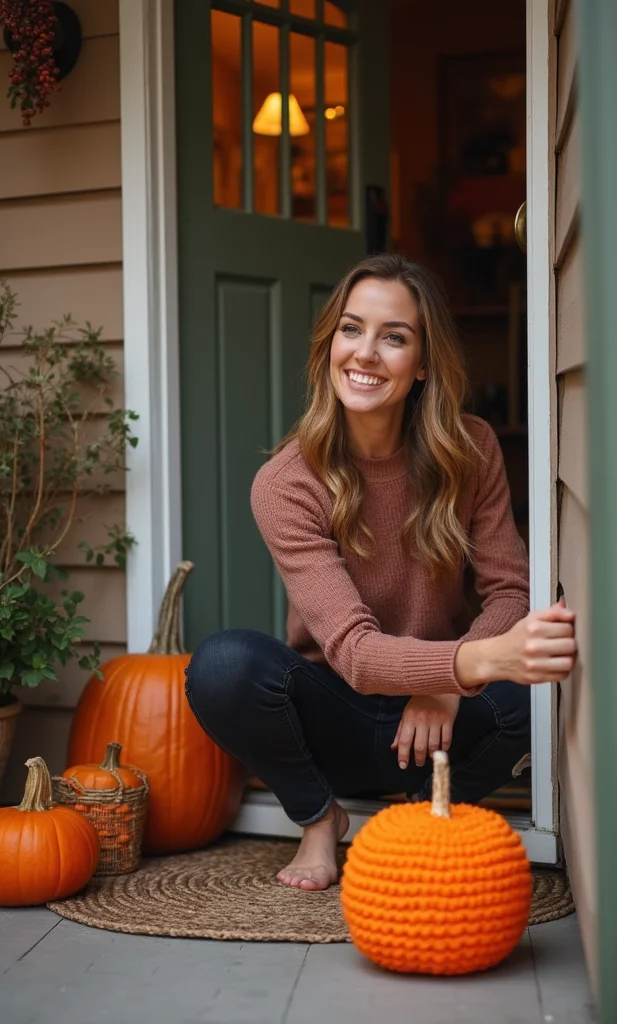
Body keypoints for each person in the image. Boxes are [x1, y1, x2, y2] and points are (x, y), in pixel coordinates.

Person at [185, 254, 577, 892]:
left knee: (530, 694)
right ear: (329, 346)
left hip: (444, 731)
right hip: (336, 713)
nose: (365, 353)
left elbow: (510, 591)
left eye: (393, 337)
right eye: (351, 329)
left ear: (423, 364)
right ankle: (317, 817)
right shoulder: (287, 482)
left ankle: (423, 822)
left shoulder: (471, 449)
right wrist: (468, 664)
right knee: (223, 665)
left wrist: (449, 683)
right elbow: (356, 653)